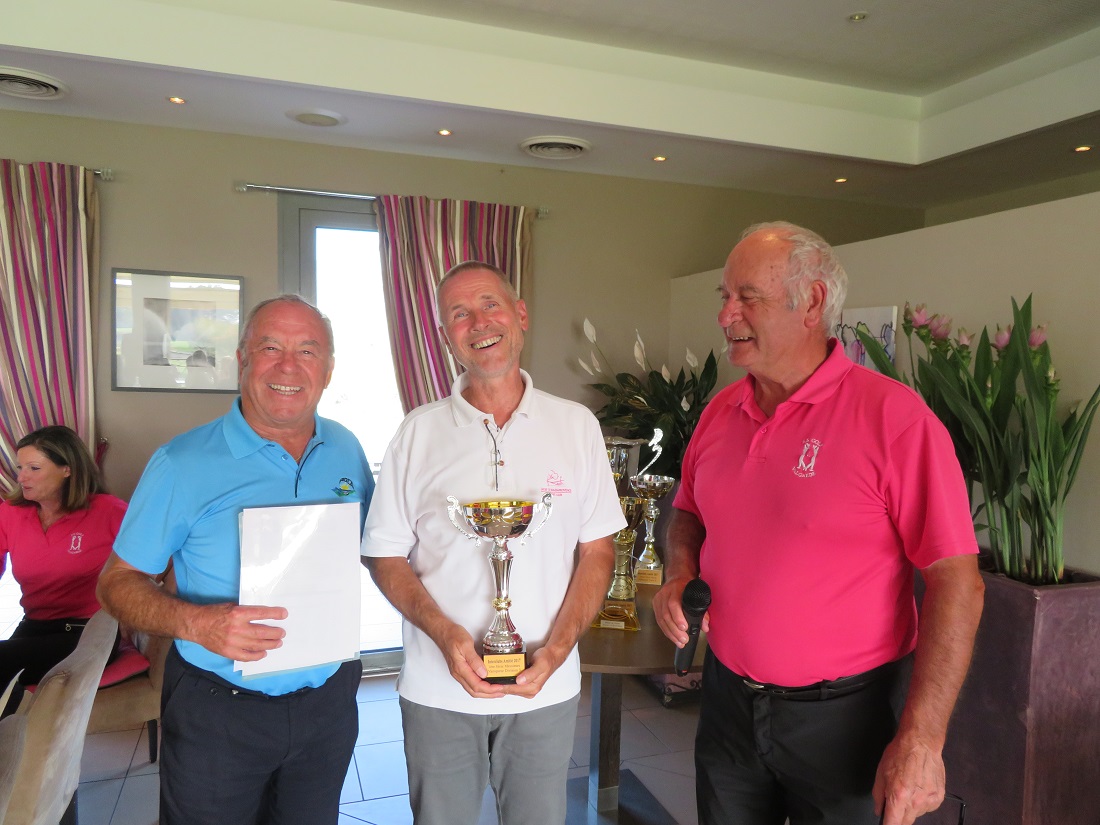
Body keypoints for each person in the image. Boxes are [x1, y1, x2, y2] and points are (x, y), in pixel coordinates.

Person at [652, 222, 985, 825]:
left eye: (747, 297)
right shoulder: (720, 412)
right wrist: (679, 573)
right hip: (728, 705)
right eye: (724, 297)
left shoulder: (896, 420)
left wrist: (923, 739)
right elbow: (688, 512)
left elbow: (957, 582)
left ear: (811, 302)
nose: (726, 315)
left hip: (848, 721)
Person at [362, 261, 623, 825]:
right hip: (437, 686)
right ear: (445, 336)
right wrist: (444, 634)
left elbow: (597, 550)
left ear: (520, 315)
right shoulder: (417, 432)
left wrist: (558, 649)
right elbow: (383, 554)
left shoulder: (576, 425)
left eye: (490, 304)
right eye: (459, 314)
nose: (478, 322)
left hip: (545, 685)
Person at [96, 295, 374, 825]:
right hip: (218, 710)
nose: (288, 366)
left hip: (328, 703)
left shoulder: (346, 448)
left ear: (328, 369)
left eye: (307, 351)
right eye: (270, 348)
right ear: (243, 360)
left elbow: (373, 549)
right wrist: (196, 623)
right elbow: (116, 583)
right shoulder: (181, 463)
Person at [0, 425, 126, 716]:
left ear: (67, 469)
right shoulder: (11, 513)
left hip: (89, 632)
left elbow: (158, 560)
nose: (21, 477)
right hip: (35, 626)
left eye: (34, 468)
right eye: (20, 468)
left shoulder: (109, 511)